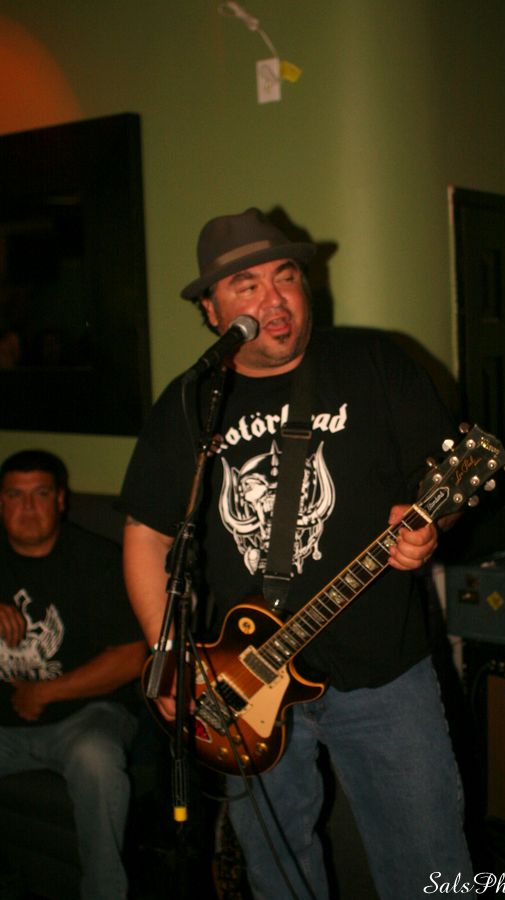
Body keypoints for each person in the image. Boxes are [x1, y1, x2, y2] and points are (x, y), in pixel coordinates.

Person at [119, 208, 474, 899]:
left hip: (383, 676)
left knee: (430, 869)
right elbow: (147, 535)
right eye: (246, 285)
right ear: (211, 310)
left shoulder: (374, 363)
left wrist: (433, 525)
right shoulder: (191, 403)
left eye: (285, 277)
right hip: (243, 683)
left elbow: (447, 481)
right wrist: (170, 656)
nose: (274, 299)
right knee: (277, 875)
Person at [0, 450, 147, 900]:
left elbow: (131, 657)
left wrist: (44, 693)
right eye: (15, 495)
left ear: (61, 500)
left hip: (85, 718)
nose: (28, 508)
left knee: (96, 760)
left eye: (41, 494)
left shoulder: (98, 559)